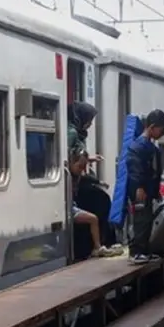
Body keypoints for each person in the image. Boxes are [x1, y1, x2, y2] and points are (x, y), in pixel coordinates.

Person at [67, 103, 116, 248]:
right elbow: (69, 156)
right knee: (102, 200)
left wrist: (90, 159)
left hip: (78, 178)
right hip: (74, 179)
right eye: (89, 120)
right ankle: (103, 242)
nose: (90, 124)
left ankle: (102, 241)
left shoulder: (78, 133)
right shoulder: (72, 133)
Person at [126, 109, 164, 264]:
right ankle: (136, 252)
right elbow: (135, 168)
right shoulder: (138, 146)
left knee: (147, 220)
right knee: (141, 220)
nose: (163, 132)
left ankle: (144, 250)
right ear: (152, 127)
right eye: (161, 129)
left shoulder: (149, 146)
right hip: (141, 191)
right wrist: (138, 187)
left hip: (148, 190)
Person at [68, 148, 120, 260]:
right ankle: (97, 247)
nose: (82, 170)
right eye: (80, 166)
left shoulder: (77, 176)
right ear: (71, 162)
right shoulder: (67, 176)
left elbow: (86, 177)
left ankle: (99, 244)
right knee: (93, 219)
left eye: (84, 167)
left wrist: (98, 182)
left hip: (72, 205)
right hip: (69, 208)